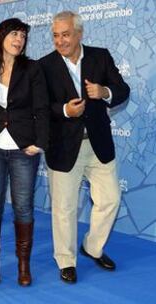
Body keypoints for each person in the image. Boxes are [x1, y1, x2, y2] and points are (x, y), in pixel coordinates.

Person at [39, 11, 130, 283]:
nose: (60, 40)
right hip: (64, 147)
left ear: (79, 34)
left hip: (99, 144)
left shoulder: (100, 56)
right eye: (55, 35)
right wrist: (65, 110)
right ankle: (66, 260)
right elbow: (41, 108)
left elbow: (122, 89)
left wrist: (104, 92)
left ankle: (92, 246)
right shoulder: (44, 66)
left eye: (65, 34)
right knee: (64, 208)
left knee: (110, 199)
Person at [0, 18, 49, 286]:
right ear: (1, 36)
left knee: (23, 208)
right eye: (14, 34)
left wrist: (39, 141)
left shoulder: (33, 69)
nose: (19, 40)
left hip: (23, 148)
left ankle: (23, 265)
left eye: (23, 36)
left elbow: (42, 109)